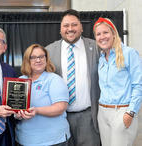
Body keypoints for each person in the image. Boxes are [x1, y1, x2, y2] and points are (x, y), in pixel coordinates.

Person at [46, 9, 100, 146]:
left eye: (74, 25)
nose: (70, 29)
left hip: (89, 118)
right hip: (59, 118)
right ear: (60, 29)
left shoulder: (96, 47)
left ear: (81, 27)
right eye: (66, 25)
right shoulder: (48, 51)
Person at [93, 17, 142, 146]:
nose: (102, 37)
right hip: (103, 113)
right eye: (98, 34)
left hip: (122, 112)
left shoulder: (129, 53)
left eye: (105, 32)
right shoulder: (102, 58)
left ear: (114, 33)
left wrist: (130, 113)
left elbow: (138, 85)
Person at [15, 44, 70, 146]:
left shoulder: (54, 79)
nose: (38, 60)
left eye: (41, 56)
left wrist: (36, 110)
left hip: (53, 140)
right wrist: (17, 115)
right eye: (33, 57)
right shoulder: (20, 81)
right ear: (27, 60)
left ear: (46, 59)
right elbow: (15, 107)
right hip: (25, 139)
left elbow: (60, 108)